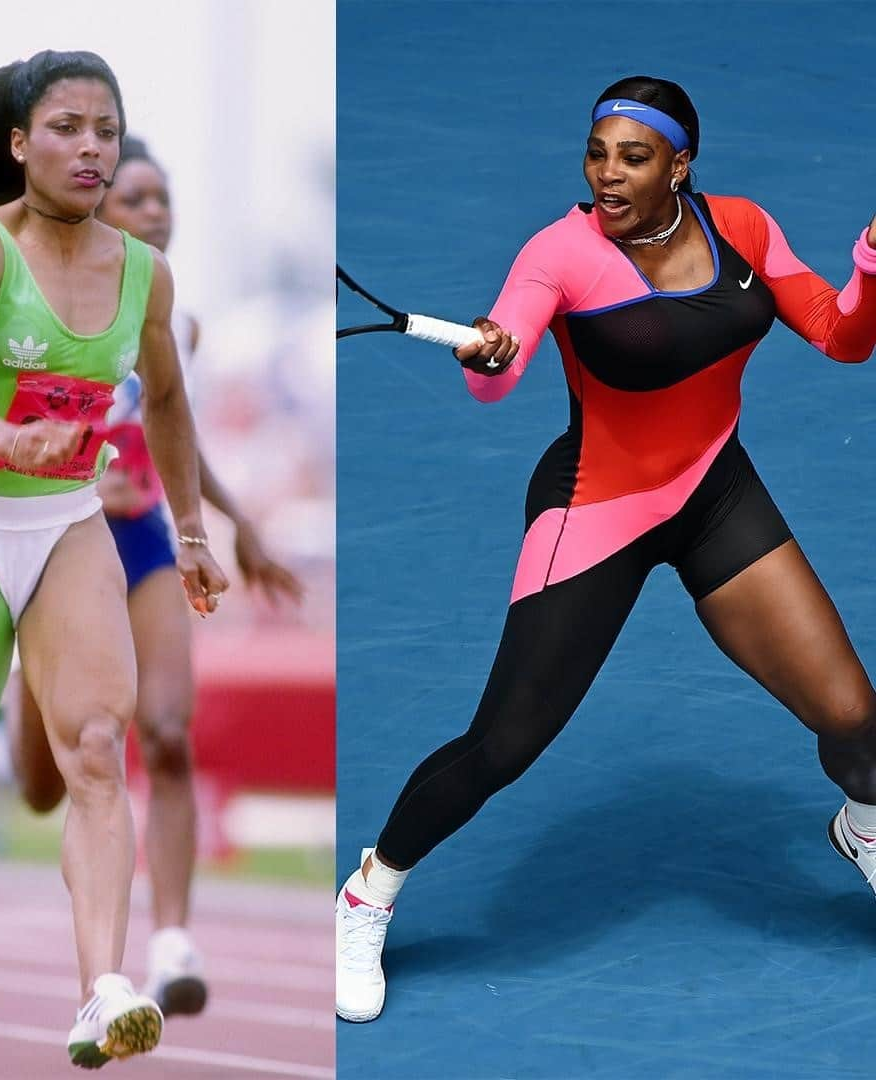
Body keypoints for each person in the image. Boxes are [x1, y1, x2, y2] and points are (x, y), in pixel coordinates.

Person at [335, 74, 876, 1023]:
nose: (609, 175)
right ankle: (368, 890)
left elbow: (840, 337)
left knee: (854, 714)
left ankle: (863, 826)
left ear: (681, 164)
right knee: (500, 746)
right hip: (600, 507)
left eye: (634, 157)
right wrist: (492, 357)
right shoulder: (559, 252)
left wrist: (870, 270)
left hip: (715, 490)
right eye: (597, 154)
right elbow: (499, 377)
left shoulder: (741, 227)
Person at [0, 49, 229, 1067]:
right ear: (22, 145)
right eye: (67, 127)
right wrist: (1, 438)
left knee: (99, 748)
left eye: (105, 130)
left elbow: (165, 401)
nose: (90, 148)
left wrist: (194, 535)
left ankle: (101, 992)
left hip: (70, 529)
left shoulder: (145, 275)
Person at [6, 135, 304, 1017]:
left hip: (139, 543)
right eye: (135, 198)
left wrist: (233, 522)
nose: (155, 212)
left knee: (168, 731)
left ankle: (172, 945)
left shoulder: (182, 322)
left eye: (163, 197)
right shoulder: (58, 307)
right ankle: (16, 679)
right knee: (39, 785)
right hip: (57, 537)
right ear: (100, 209)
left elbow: (177, 433)